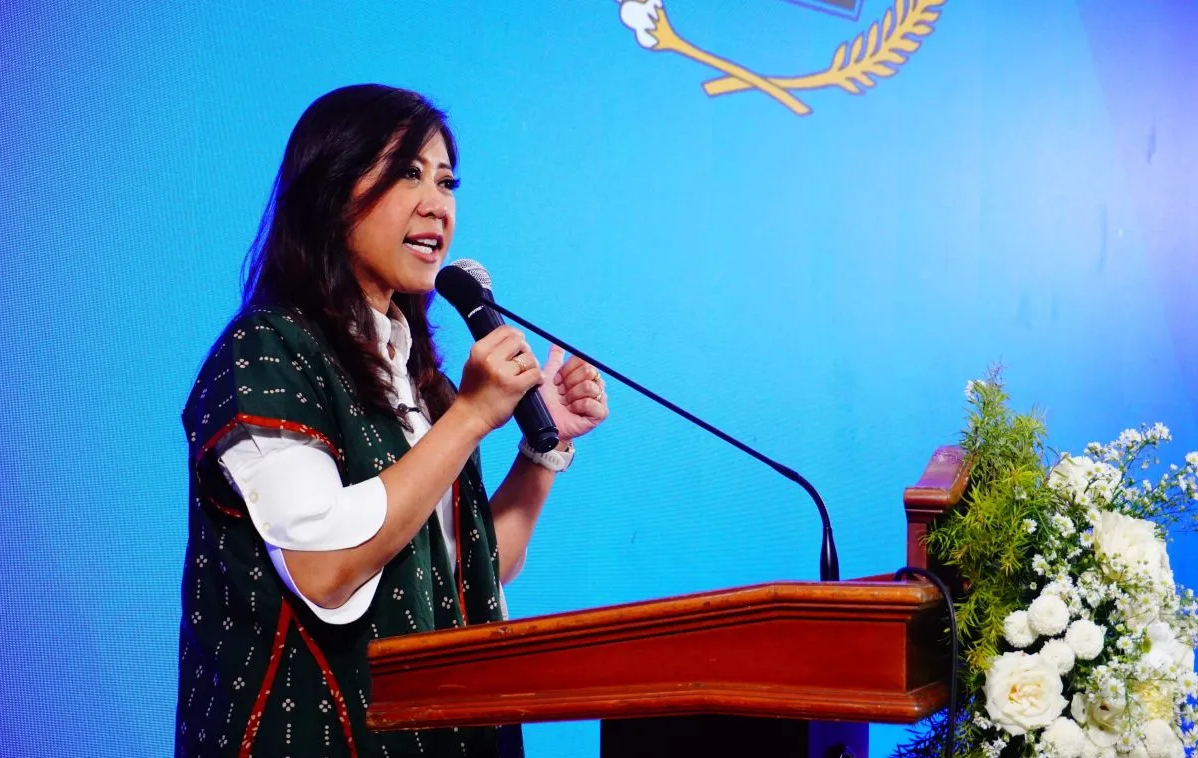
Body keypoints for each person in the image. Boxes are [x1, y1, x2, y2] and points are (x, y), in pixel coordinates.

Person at [175, 83, 609, 757]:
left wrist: (541, 450)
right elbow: (324, 567)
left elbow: (465, 571)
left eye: (446, 180)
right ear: (331, 192)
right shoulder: (267, 350)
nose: (437, 203)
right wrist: (471, 416)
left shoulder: (415, 376)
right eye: (408, 173)